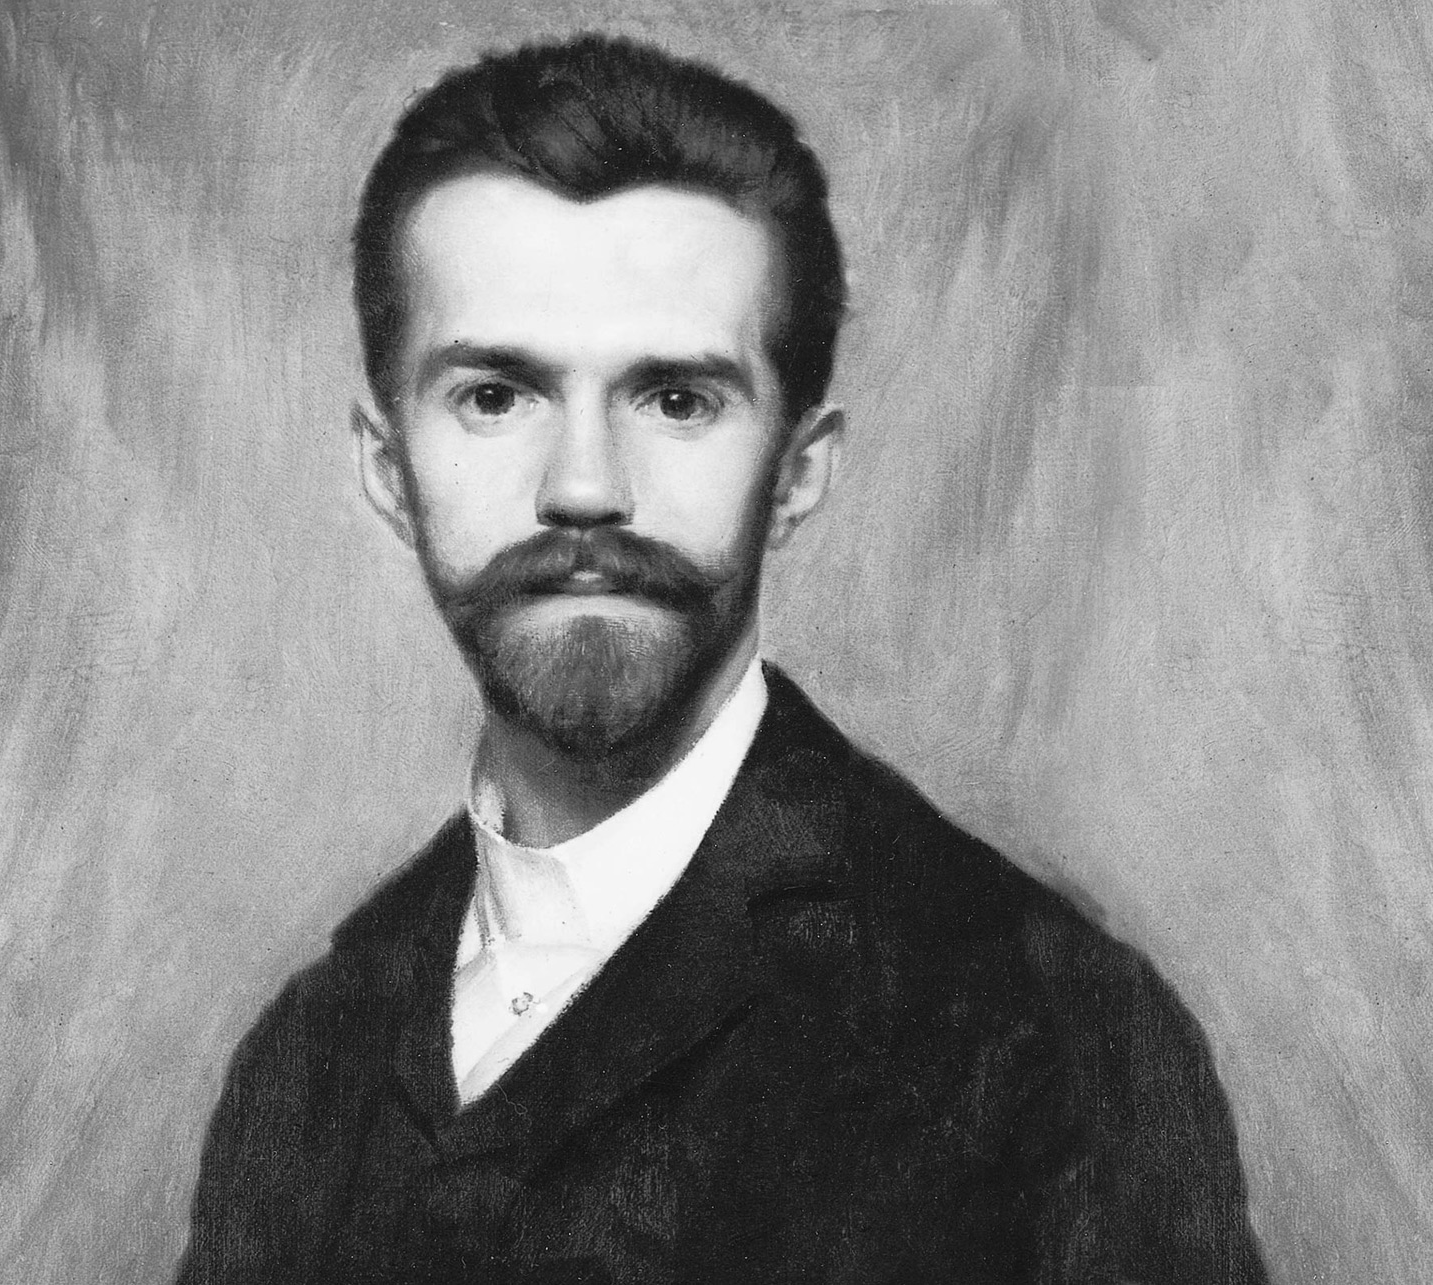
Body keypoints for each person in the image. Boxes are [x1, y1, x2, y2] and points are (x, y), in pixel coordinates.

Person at [176, 33, 1269, 1284]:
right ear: (387, 468)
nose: (584, 488)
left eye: (676, 399)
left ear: (798, 471)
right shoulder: (308, 1058)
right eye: (495, 395)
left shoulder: (1046, 1033)